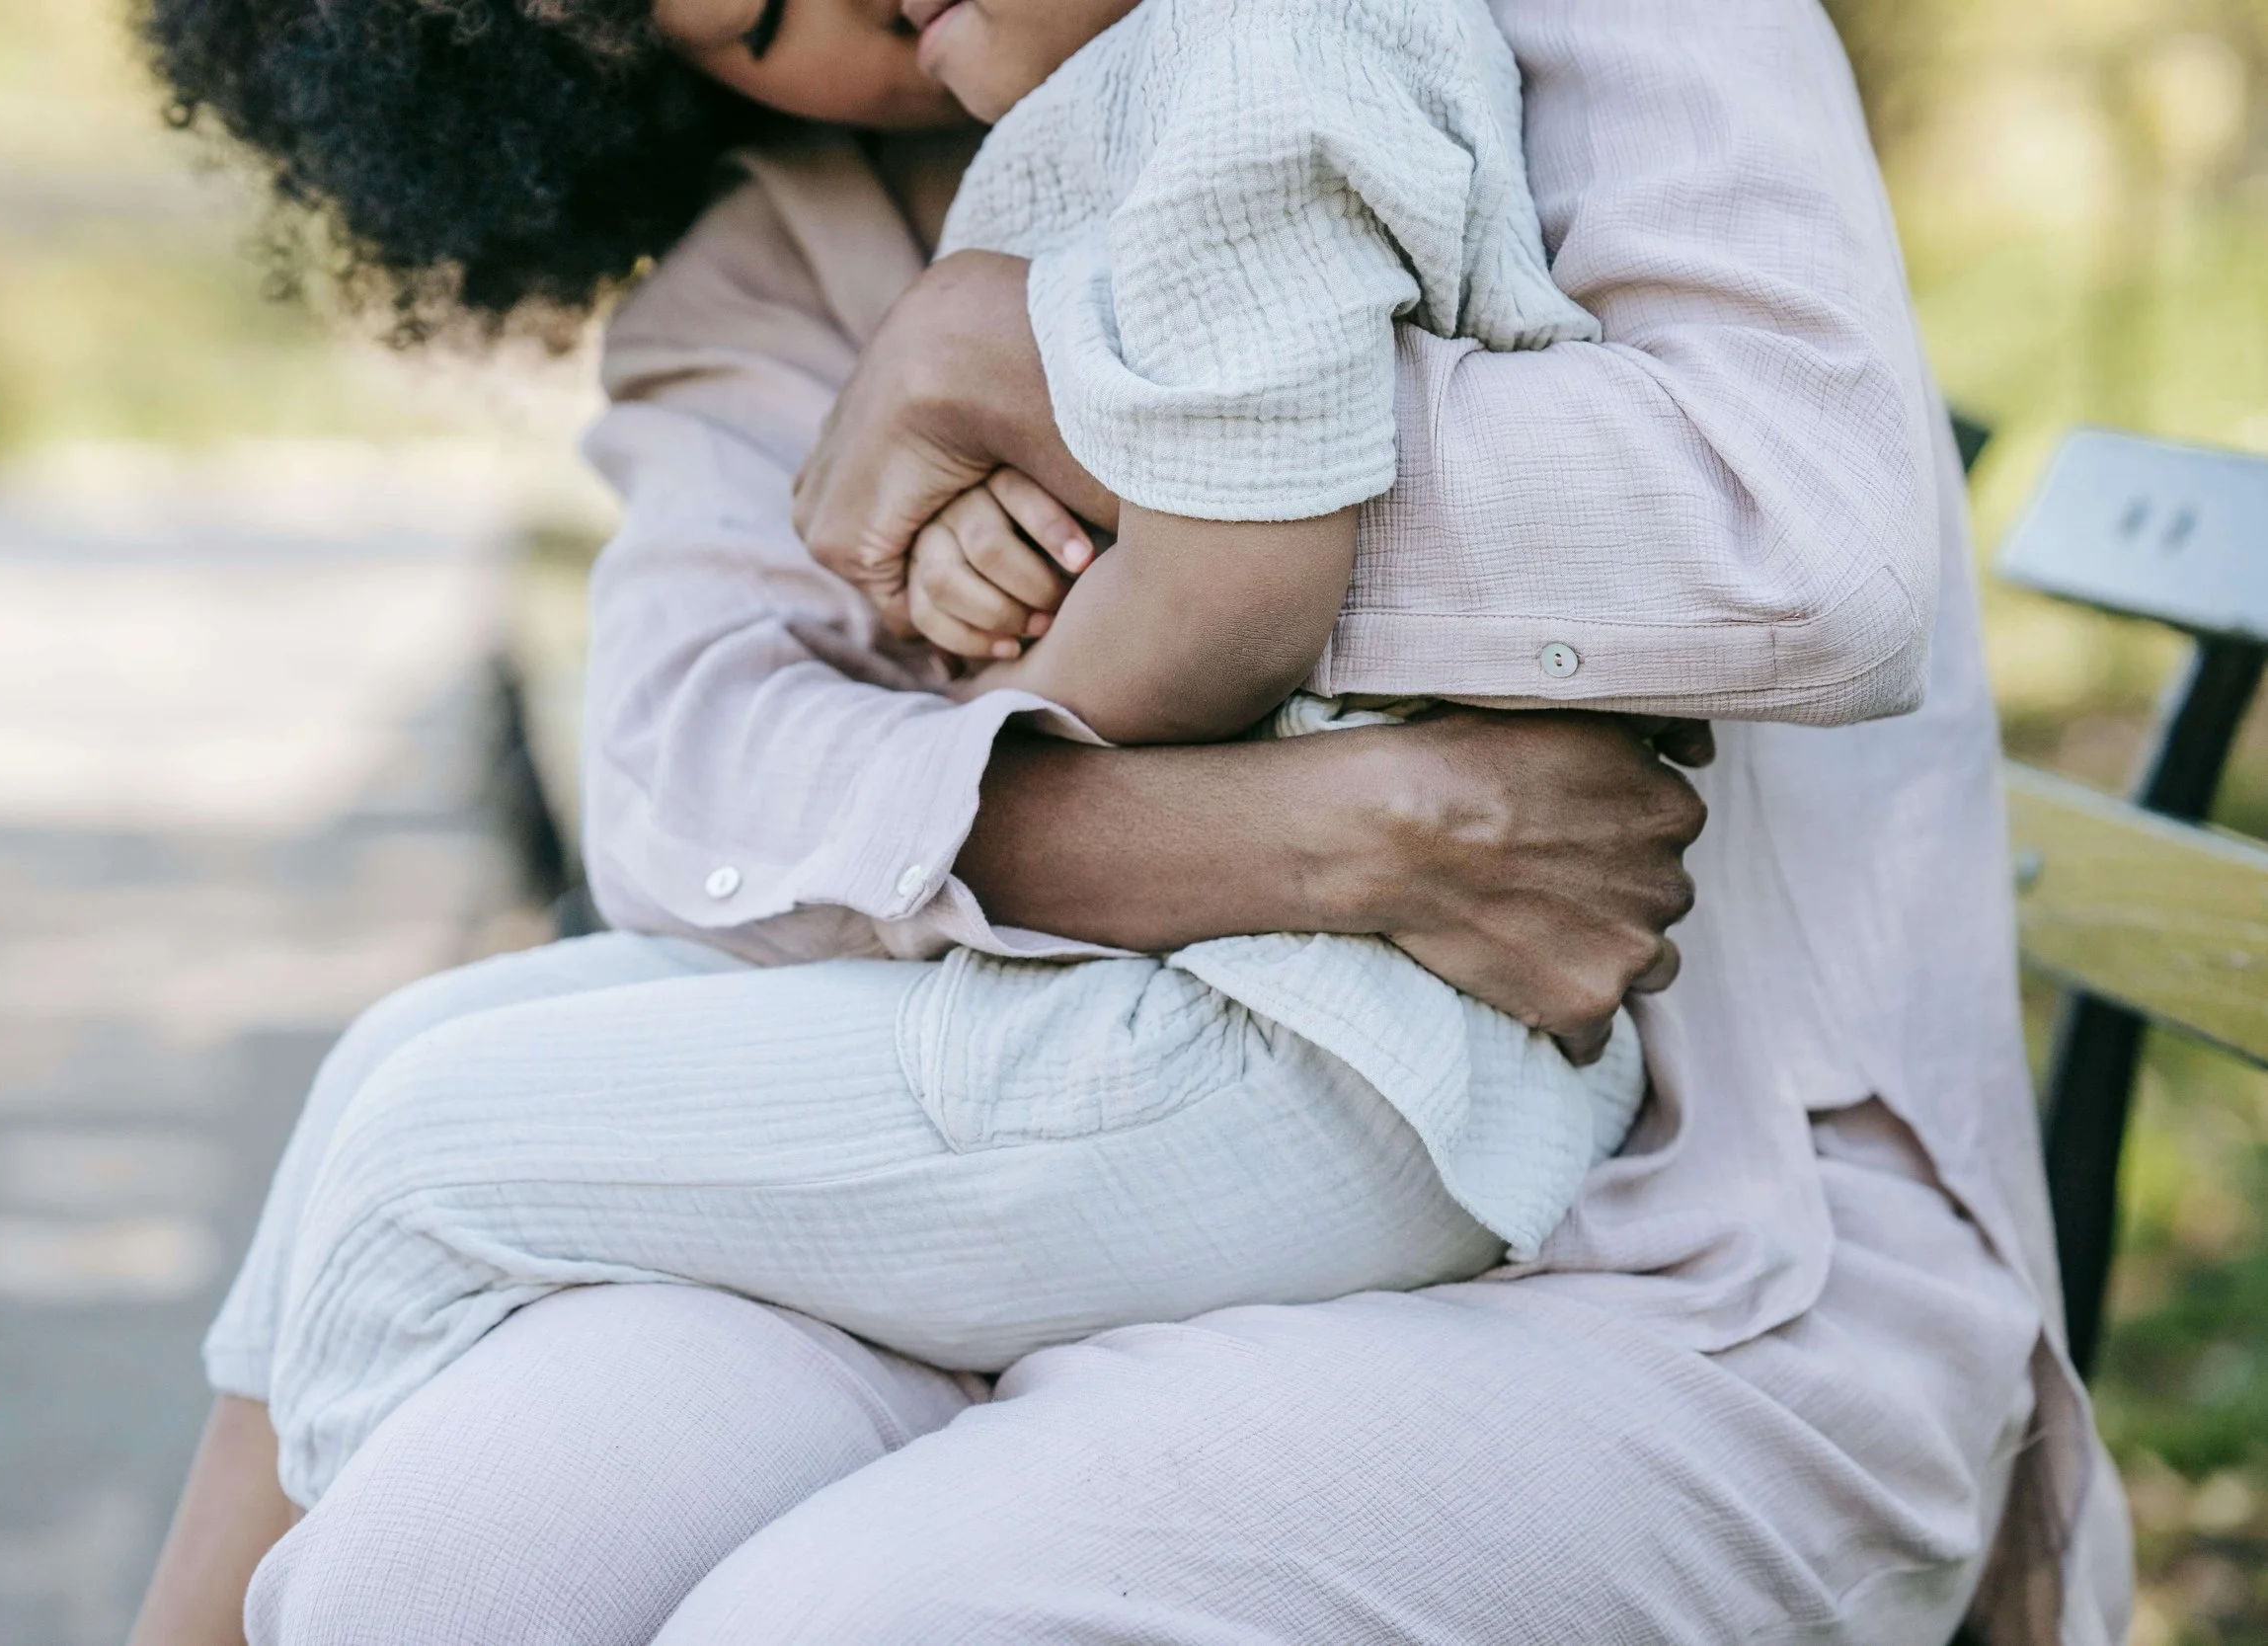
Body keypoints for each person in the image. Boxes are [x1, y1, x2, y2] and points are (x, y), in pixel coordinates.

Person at [127, 0, 2135, 1642]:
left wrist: (1041, 374)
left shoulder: (1337, 51)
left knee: (849, 1619)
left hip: (1701, 1250)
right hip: (1024, 1174)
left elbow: (1804, 546)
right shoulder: (773, 248)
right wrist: (1327, 832)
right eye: (749, 20)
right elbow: (696, 783)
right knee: (430, 1575)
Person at [253, 0, 1663, 1513]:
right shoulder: (945, 175)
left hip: (1335, 1049)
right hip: (1204, 990)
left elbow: (1239, 598)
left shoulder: (1262, 67)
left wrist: (989, 629)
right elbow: (686, 781)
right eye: (763, 21)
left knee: (418, 1156)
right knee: (387, 1064)